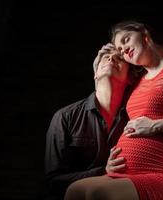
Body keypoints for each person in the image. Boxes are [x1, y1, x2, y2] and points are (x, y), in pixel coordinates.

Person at [64, 20, 163, 200]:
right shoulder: (139, 81)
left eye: (126, 40)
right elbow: (107, 83)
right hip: (126, 174)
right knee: (74, 190)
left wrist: (153, 126)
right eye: (119, 49)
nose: (123, 50)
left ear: (144, 35)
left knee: (101, 194)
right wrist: (97, 64)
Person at [43, 44, 139, 200]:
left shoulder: (135, 119)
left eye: (120, 58)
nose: (111, 58)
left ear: (129, 78)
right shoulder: (65, 117)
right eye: (105, 56)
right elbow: (53, 182)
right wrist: (103, 172)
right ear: (95, 73)